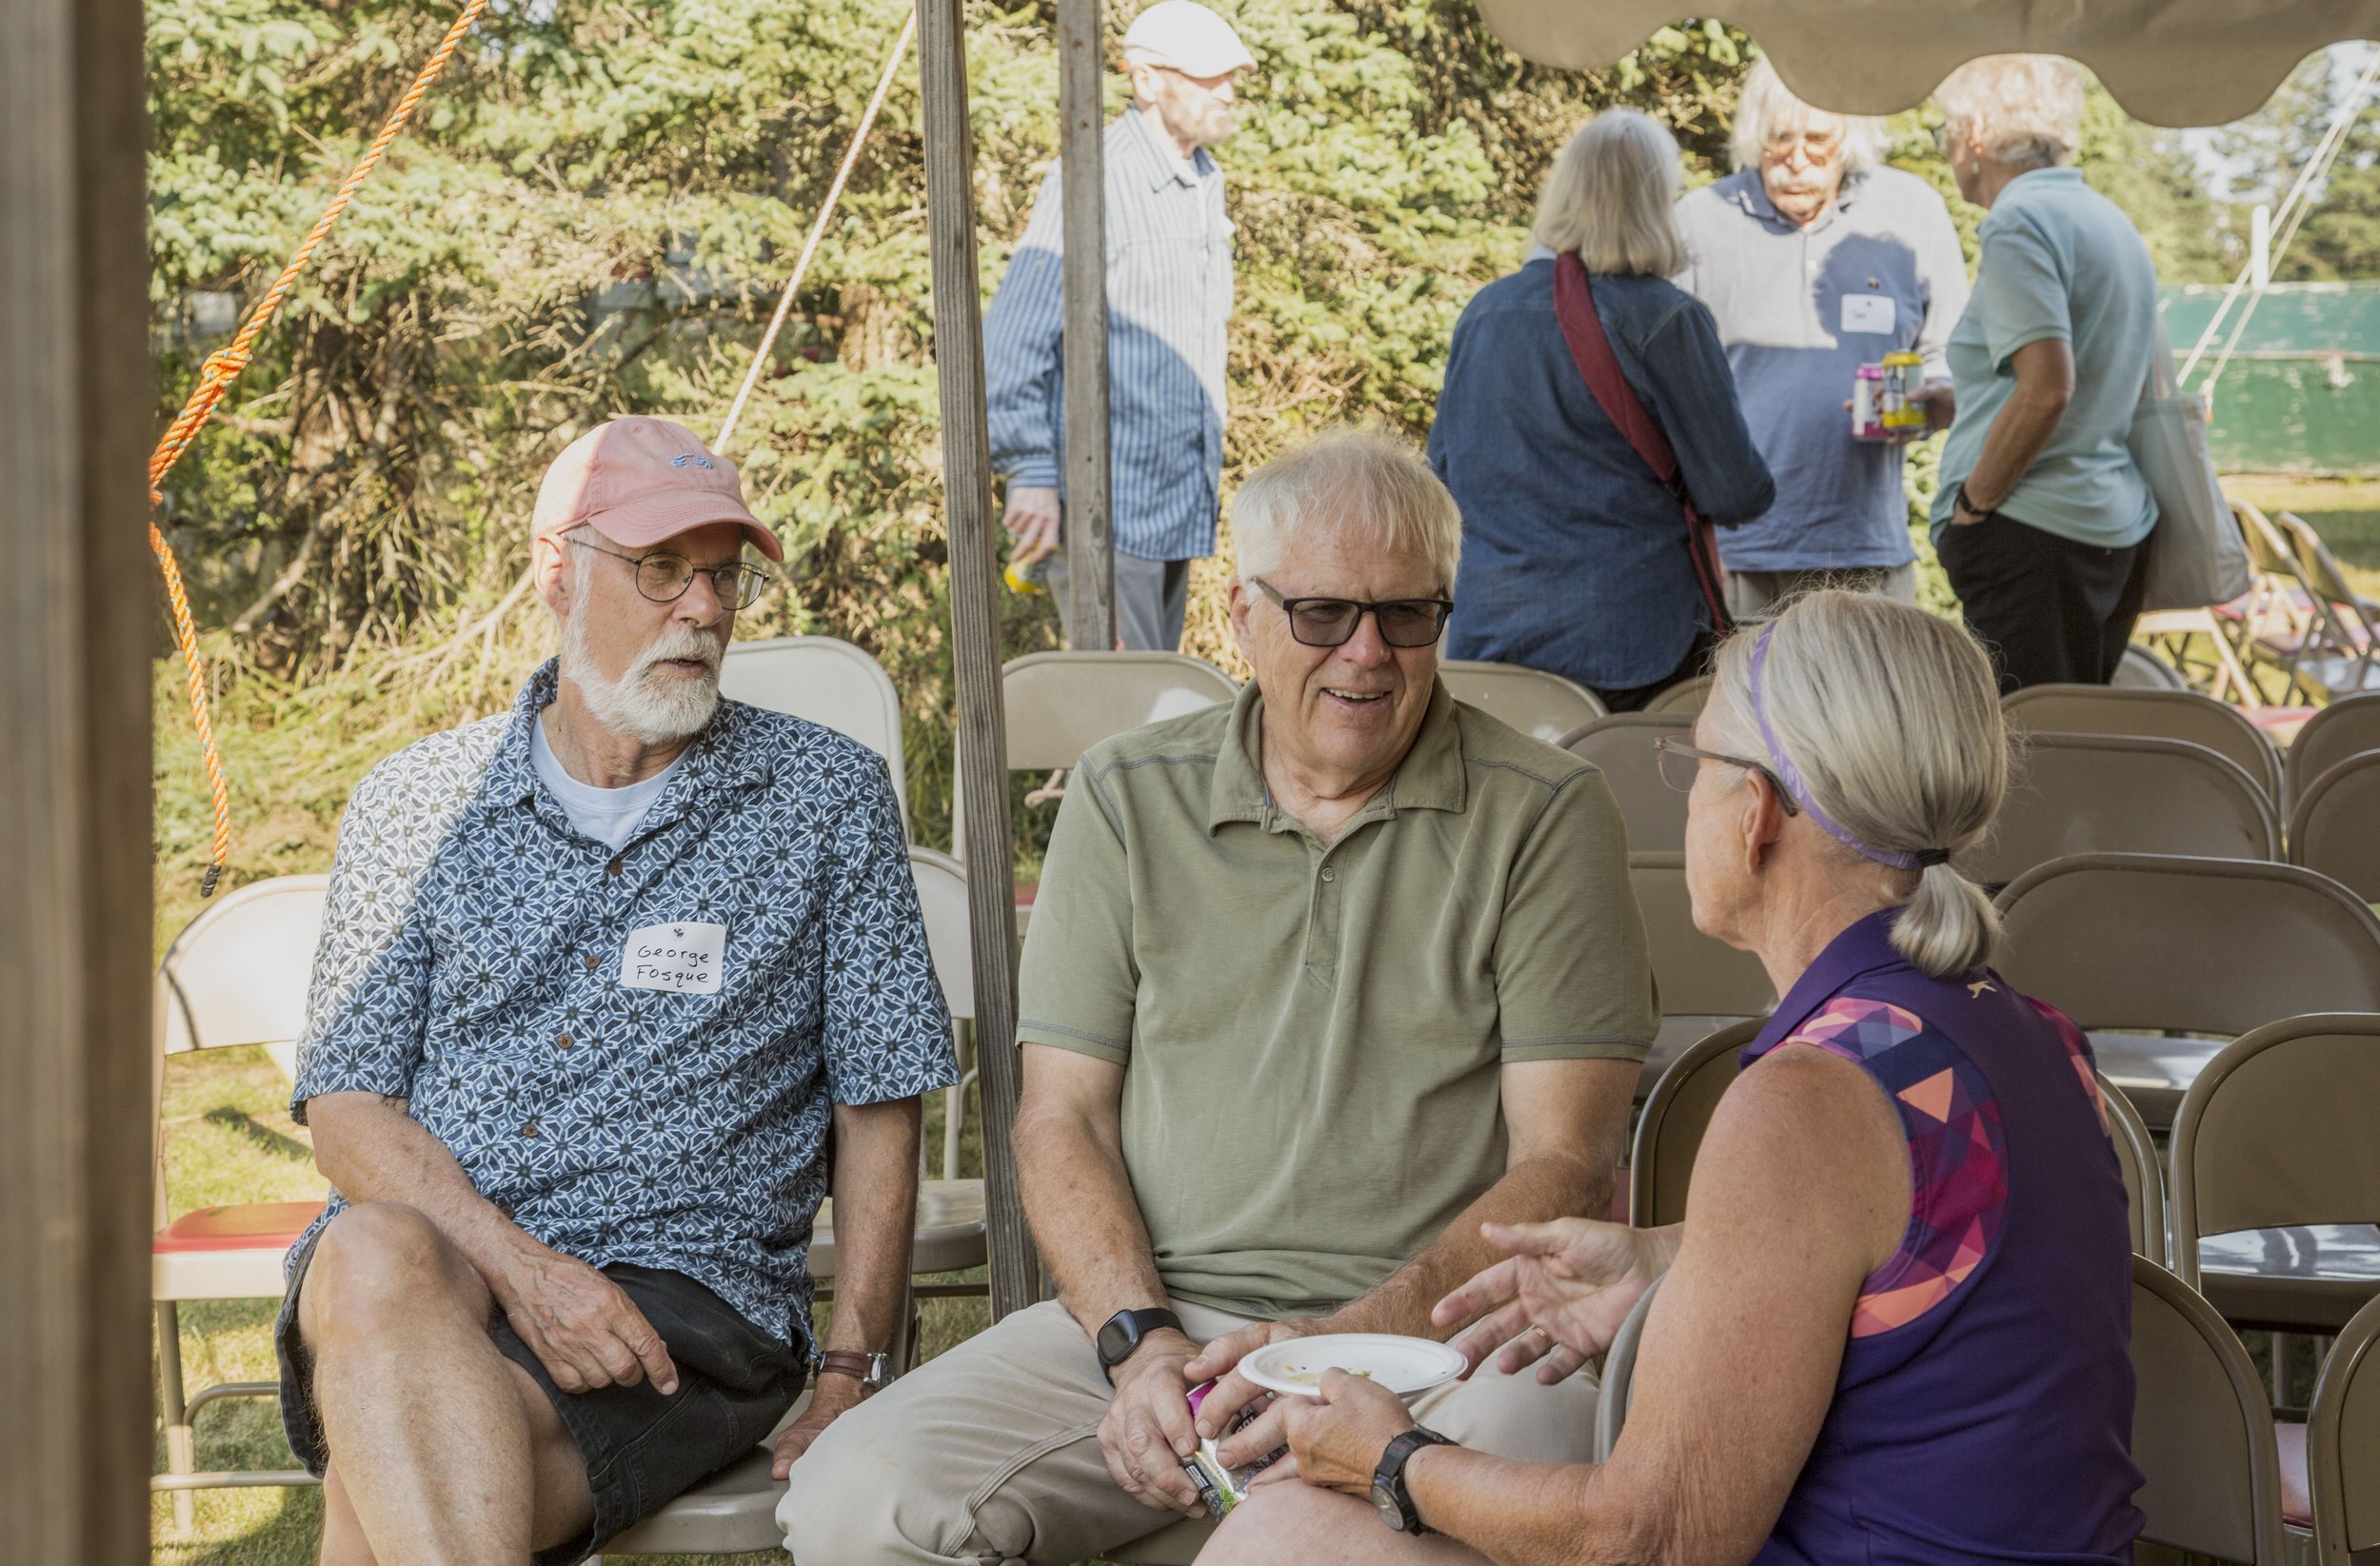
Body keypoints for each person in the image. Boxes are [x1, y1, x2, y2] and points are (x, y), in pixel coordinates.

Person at [781, 430, 1659, 1564]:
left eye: (1406, 614)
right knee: (859, 1499)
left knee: (1504, 1468)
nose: (1367, 652)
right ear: (1241, 614)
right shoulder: (1127, 794)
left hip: (1437, 1342)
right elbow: (1061, 1116)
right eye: (1322, 613)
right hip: (1161, 1323)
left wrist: (1329, 1350)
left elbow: (1566, 1158)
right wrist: (1138, 1341)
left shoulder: (1543, 810)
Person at [1197, 589, 2143, 1566]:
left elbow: (1656, 1539)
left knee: (1286, 1537)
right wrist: (1671, 1263)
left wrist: (1389, 1456)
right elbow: (1905, 1246)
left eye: (1698, 765)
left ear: (1756, 813)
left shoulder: (1807, 1097)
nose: (1687, 797)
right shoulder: (2034, 1035)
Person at [274, 416, 959, 1566]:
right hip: (437, 1264)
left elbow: (880, 1101)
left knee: (389, 1457)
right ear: (557, 570)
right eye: (660, 569)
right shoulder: (416, 801)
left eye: (723, 576)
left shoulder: (825, 798)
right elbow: (345, 1108)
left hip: (685, 1303)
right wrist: (525, 1271)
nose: (703, 607)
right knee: (367, 1250)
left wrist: (851, 1368)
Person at [1431, 110, 1775, 710]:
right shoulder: (1667, 319)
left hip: (1493, 636)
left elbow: (1442, 474)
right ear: (1654, 205)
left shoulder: (1486, 311)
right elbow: (1736, 492)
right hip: (1631, 640)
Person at [984, 0, 1254, 651]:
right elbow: (1012, 339)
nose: (1227, 92)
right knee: (1125, 699)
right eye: (1208, 78)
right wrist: (1031, 472)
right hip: (1104, 513)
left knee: (1156, 690)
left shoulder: (1202, 180)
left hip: (1173, 507)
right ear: (1147, 80)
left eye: (1231, 78)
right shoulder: (1093, 177)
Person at [1675, 59, 1970, 616]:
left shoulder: (1911, 213)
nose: (1797, 158)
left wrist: (1930, 402)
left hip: (1865, 547)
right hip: (1735, 553)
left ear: (1851, 139)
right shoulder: (1698, 220)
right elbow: (1659, 381)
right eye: (1778, 139)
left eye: (1817, 140)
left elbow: (1952, 355)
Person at [1927, 54, 2162, 691]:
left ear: (1976, 134)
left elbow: (2049, 389)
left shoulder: (2016, 222)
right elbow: (2108, 380)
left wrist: (1972, 505)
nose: (1945, 149)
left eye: (1945, 132)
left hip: (2032, 532)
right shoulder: (2107, 219)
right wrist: (1960, 402)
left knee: (2027, 737)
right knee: (2074, 730)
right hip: (2110, 524)